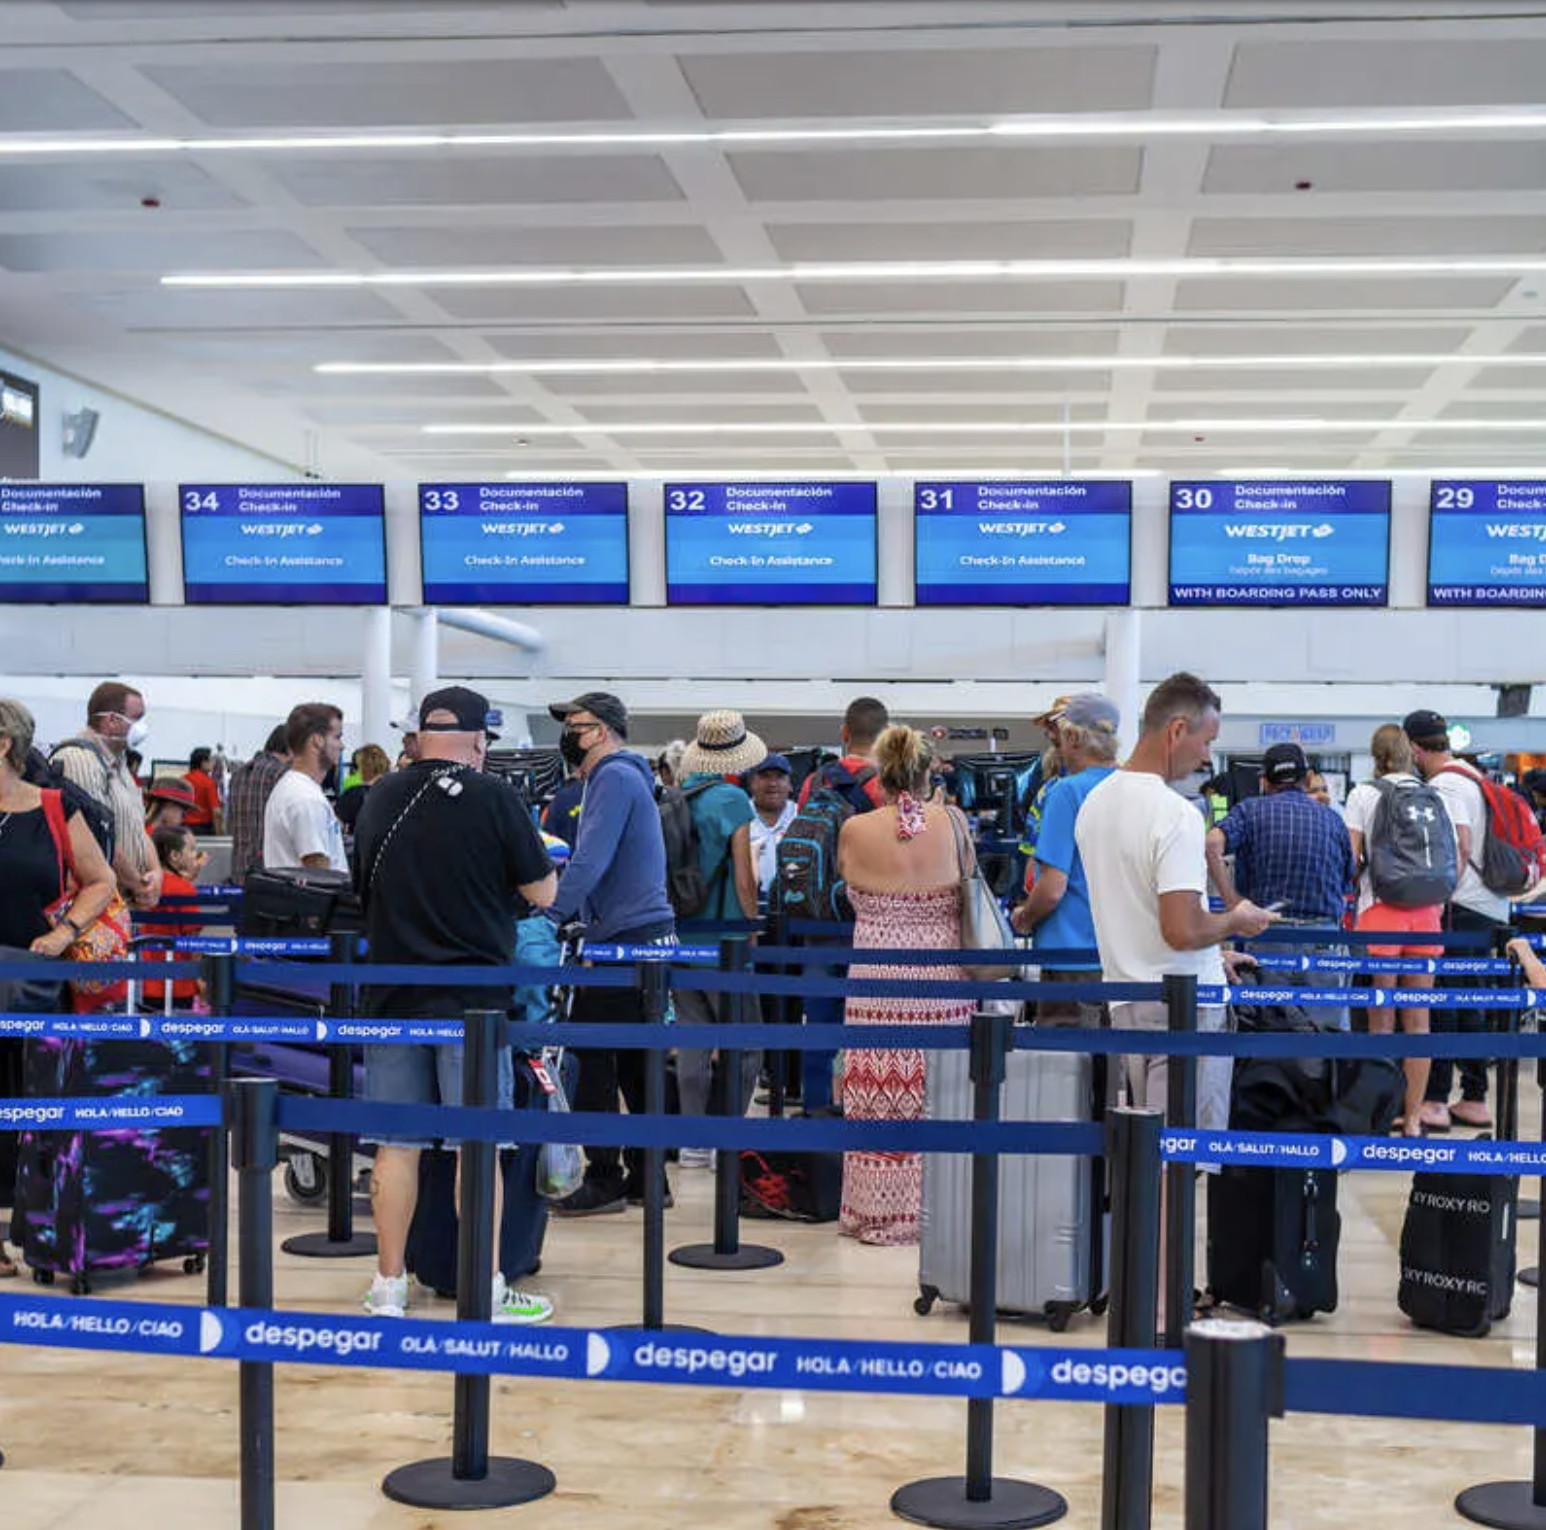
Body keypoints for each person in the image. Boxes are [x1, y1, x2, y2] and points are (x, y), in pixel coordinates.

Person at [354, 686, 557, 1323]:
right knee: (478, 1146)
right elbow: (544, 891)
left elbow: (361, 885)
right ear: (477, 740)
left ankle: (388, 1286)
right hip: (471, 1002)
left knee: (396, 1144)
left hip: (390, 995)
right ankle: (484, 1289)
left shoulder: (377, 796)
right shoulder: (495, 797)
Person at [1077, 673, 1273, 1136]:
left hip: (1126, 1001)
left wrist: (1213, 952)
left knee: (1142, 1154)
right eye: (1207, 741)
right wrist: (1234, 921)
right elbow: (1181, 930)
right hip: (1184, 1008)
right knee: (1177, 1163)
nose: (1207, 757)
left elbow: (1142, 912)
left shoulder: (1094, 805)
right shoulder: (1176, 813)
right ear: (1177, 730)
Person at [833, 724, 973, 1246]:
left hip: (876, 979)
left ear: (881, 775)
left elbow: (846, 878)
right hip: (941, 978)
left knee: (877, 1092)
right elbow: (970, 884)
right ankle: (939, 1207)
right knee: (940, 1090)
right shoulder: (954, 823)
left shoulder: (855, 829)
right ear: (927, 770)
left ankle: (873, 1212)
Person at [545, 692, 677, 1217]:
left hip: (621, 939)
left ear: (599, 730)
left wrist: (550, 915)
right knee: (635, 1062)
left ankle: (603, 1177)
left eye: (575, 725)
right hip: (645, 935)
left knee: (594, 1058)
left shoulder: (613, 777)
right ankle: (649, 1177)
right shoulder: (630, 776)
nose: (569, 735)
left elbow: (589, 859)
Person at [0, 699, 118, 1277]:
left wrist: (67, 931)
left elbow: (101, 880)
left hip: (36, 983)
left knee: (37, 1105)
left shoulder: (53, 806)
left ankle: (41, 1227)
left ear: (4, 745)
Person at [1343, 724, 1453, 1136]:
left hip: (1381, 911)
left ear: (1375, 755)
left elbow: (1352, 860)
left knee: (1381, 1021)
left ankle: (1378, 1118)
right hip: (1426, 914)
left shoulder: (1364, 794)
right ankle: (1412, 1120)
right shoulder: (1432, 793)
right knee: (1419, 1021)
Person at [1205, 741, 1357, 1030]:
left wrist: (1234, 903)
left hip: (1266, 935)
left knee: (1269, 1029)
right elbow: (1347, 876)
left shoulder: (1249, 811)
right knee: (1327, 1035)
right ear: (1308, 778)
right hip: (1323, 938)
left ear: (1264, 781)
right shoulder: (1332, 819)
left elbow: (1213, 843)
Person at [1404, 708, 1507, 1131]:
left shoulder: (1445, 784)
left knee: (1445, 1000)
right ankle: (1476, 1096)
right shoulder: (1475, 777)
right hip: (1491, 904)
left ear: (1414, 747)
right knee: (1473, 1001)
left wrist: (1436, 894)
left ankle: (1435, 1100)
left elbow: (1460, 845)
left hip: (1460, 906)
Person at [670, 711, 762, 1166]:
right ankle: (729, 1132)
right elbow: (745, 876)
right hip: (725, 940)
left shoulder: (676, 797)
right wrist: (752, 927)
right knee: (745, 1045)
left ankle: (692, 1140)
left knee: (692, 1042)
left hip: (681, 936)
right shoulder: (732, 800)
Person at [796, 696, 890, 1112]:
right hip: (871, 919)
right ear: (886, 735)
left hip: (817, 917)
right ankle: (862, 1105)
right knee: (871, 1022)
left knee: (818, 1022)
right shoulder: (887, 784)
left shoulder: (815, 782)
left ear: (844, 733)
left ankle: (816, 1107)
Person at [1011, 693, 1121, 1026]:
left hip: (1069, 957)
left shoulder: (1064, 792)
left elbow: (1052, 888)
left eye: (1056, 732)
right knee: (1113, 1069)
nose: (1052, 740)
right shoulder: (1133, 788)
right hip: (1122, 957)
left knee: (1064, 1070)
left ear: (1073, 737)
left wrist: (1024, 917)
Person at [51, 680, 161, 910]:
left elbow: (137, 827)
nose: (142, 726)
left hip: (121, 901)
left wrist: (155, 873)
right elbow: (97, 837)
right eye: (137, 717)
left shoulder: (119, 764)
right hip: (92, 908)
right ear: (111, 720)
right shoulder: (79, 760)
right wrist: (138, 885)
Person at [262, 703, 347, 873]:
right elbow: (319, 874)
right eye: (337, 737)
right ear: (317, 740)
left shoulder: (294, 787)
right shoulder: (305, 798)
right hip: (311, 899)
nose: (342, 745)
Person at [143, 824, 209, 1011]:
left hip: (146, 982)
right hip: (179, 984)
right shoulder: (185, 890)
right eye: (191, 849)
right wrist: (200, 978)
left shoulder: (145, 885)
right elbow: (193, 943)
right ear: (174, 856)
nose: (194, 855)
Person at [228, 726, 290, 884]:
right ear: (291, 748)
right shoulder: (281, 774)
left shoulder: (238, 774)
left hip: (239, 870)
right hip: (269, 875)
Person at [335, 743, 390, 831]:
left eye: (359, 766)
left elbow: (336, 825)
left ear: (364, 767)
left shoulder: (354, 794)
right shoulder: (394, 791)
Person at [182, 747, 222, 834]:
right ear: (203, 763)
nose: (213, 763)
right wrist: (219, 835)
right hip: (203, 829)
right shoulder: (208, 782)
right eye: (211, 760)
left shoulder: (182, 779)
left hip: (183, 829)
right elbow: (217, 812)